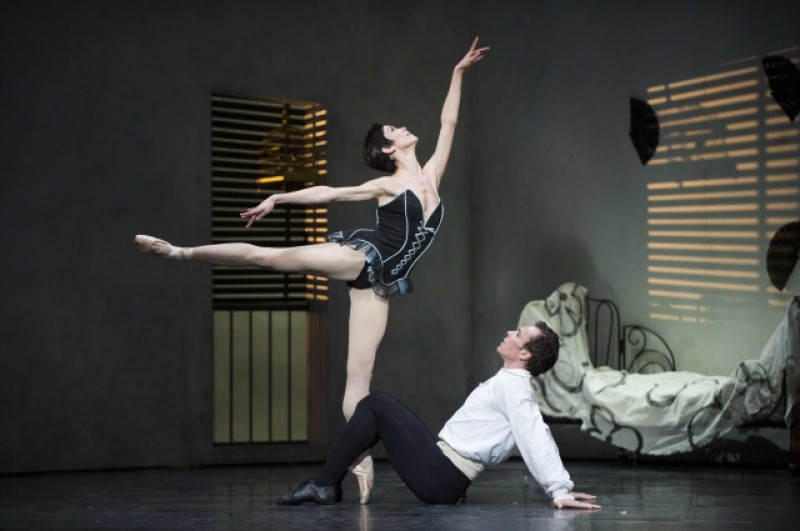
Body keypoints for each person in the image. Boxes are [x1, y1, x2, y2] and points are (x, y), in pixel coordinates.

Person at [134, 37, 490, 504]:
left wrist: (458, 72)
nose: (404, 127)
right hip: (361, 258)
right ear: (387, 149)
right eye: (395, 129)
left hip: (380, 288)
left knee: (358, 381)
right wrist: (279, 197)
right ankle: (180, 252)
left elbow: (449, 121)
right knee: (271, 258)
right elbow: (329, 193)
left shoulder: (433, 176)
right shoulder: (385, 183)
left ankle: (356, 458)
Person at [275, 321, 601, 510]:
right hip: (444, 473)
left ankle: (323, 485)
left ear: (524, 353)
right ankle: (325, 484)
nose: (510, 332)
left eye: (518, 334)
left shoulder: (515, 388)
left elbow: (534, 434)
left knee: (376, 405)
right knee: (375, 409)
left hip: (442, 478)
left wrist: (559, 489)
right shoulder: (510, 382)